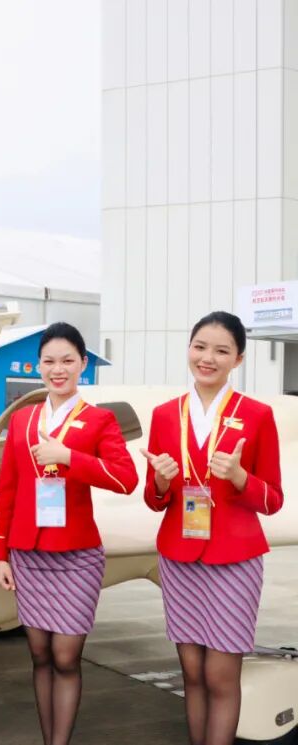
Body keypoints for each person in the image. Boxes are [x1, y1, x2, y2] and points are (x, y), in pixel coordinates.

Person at [0, 322, 138, 745]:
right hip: (29, 553)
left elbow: (126, 479)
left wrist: (69, 456)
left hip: (77, 555)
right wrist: (0, 553)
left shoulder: (99, 419)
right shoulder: (22, 420)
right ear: (39, 366)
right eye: (49, 361)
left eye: (67, 361)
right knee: (39, 655)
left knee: (66, 656)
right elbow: (8, 489)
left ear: (83, 364)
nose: (58, 370)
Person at [140, 311, 283, 745]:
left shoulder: (257, 415)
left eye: (221, 351)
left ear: (238, 359)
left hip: (234, 561)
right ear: (188, 349)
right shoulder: (166, 415)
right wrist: (160, 481)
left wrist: (240, 478)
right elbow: (154, 500)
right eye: (200, 347)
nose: (207, 358)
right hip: (179, 557)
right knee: (192, 673)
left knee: (221, 675)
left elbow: (273, 500)